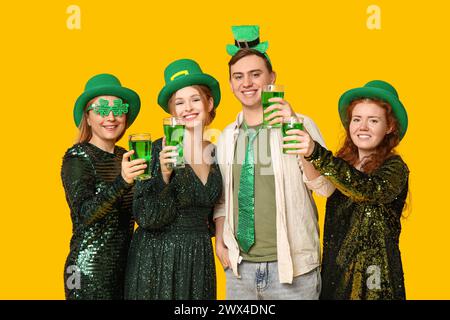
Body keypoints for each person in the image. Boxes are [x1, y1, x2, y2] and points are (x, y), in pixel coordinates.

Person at [214, 25, 335, 300]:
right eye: (238, 77)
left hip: (292, 271)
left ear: (272, 78)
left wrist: (301, 140)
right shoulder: (225, 138)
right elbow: (222, 200)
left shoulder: (301, 124)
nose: (247, 83)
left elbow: (326, 188)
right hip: (239, 271)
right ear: (231, 84)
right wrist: (220, 243)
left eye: (255, 74)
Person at [287, 80, 409, 299]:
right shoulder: (342, 164)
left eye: (373, 120)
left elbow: (366, 188)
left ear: (389, 127)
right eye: (357, 119)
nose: (362, 127)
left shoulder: (395, 168)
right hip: (337, 277)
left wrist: (315, 152)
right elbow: (324, 185)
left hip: (375, 280)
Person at [125, 59, 223, 300]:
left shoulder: (218, 153)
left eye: (195, 99)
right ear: (172, 111)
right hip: (157, 259)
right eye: (179, 102)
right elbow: (145, 215)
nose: (188, 108)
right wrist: (165, 176)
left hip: (198, 258)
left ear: (209, 103)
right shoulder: (154, 150)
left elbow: (217, 210)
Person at [61, 73, 145, 299]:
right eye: (101, 110)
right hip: (85, 273)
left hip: (124, 271)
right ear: (87, 117)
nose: (111, 117)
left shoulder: (127, 157)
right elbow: (84, 213)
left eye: (117, 109)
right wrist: (123, 182)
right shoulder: (77, 157)